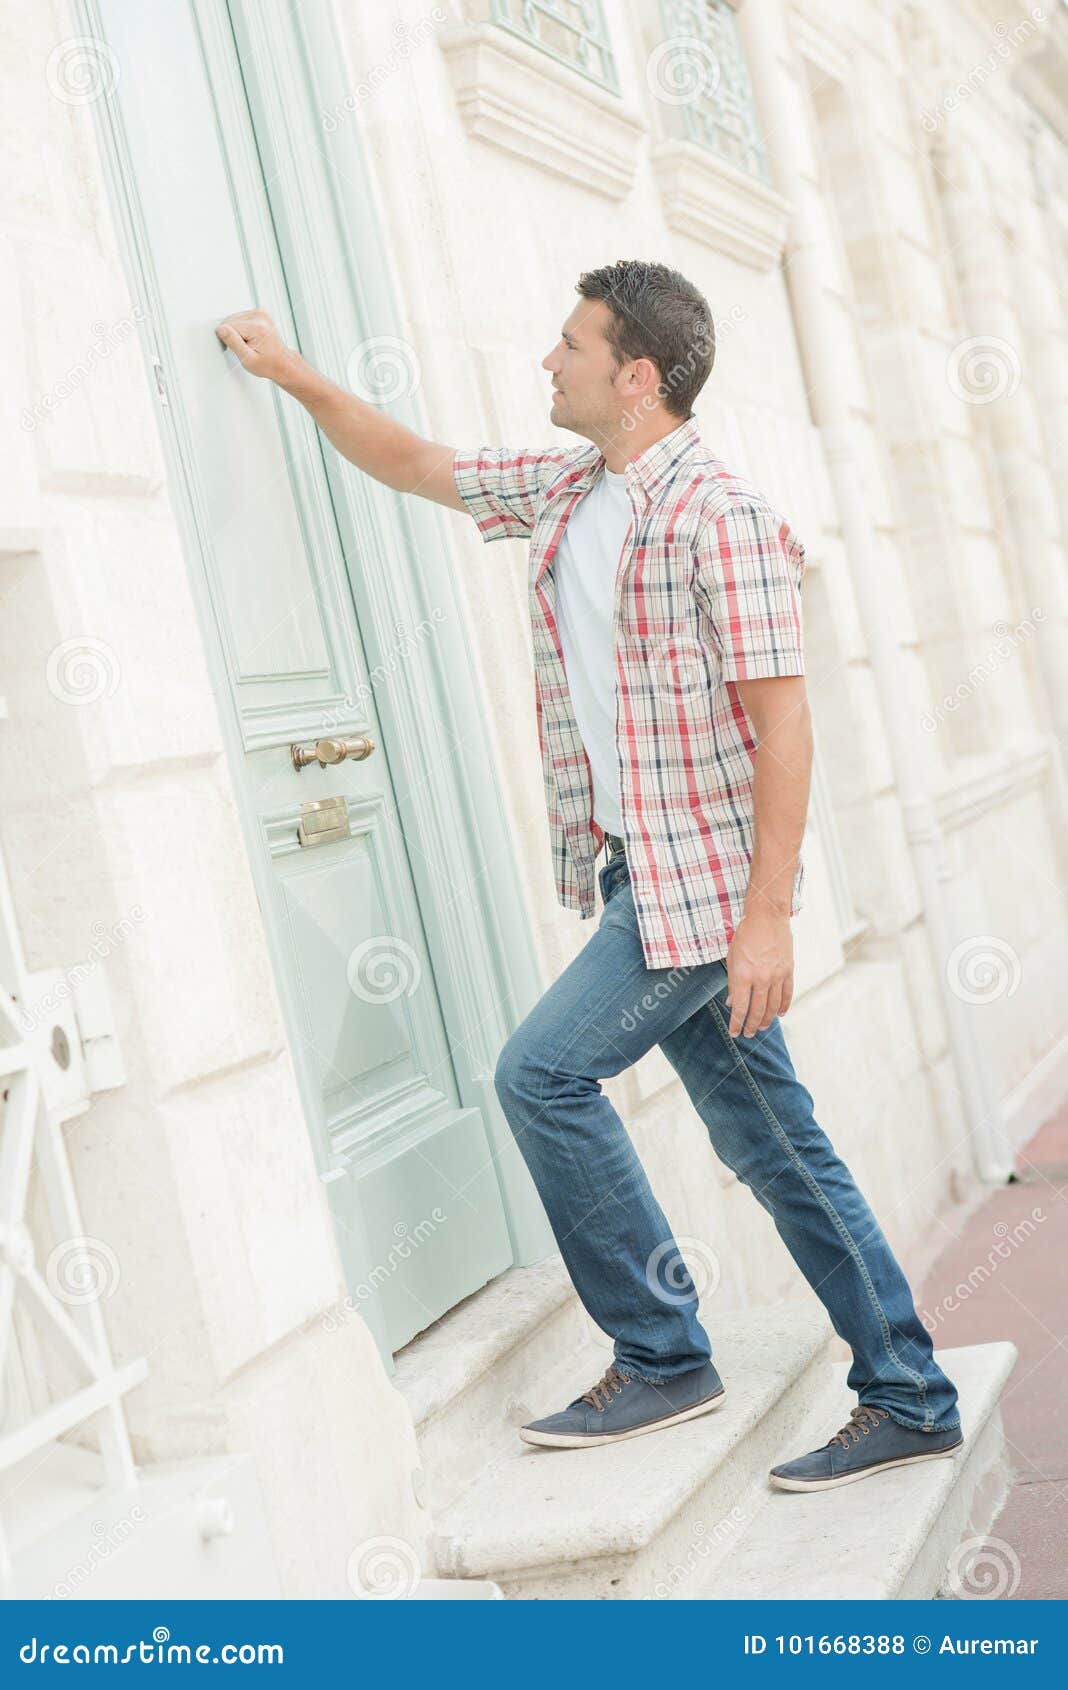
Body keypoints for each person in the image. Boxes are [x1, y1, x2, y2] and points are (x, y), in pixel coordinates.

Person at [215, 258, 961, 1491]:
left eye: (569, 345)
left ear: (637, 376)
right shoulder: (569, 490)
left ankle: (663, 1352)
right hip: (644, 878)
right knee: (780, 1143)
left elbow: (788, 728)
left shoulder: (720, 517)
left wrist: (766, 916)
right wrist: (293, 374)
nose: (544, 363)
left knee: (543, 1075)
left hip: (708, 894)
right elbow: (414, 463)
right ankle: (909, 1391)